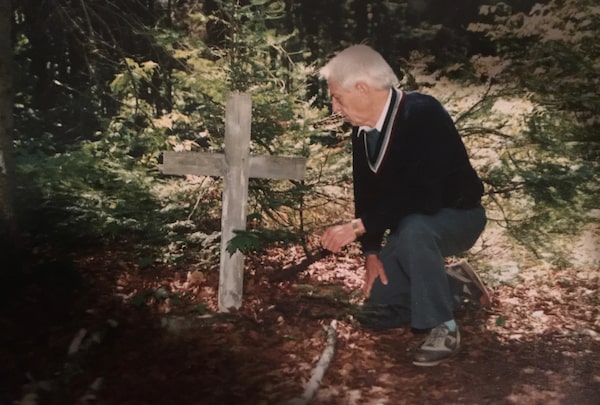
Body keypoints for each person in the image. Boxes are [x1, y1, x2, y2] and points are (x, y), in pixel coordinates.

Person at [319, 44, 491, 367]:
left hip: (459, 217)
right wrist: (371, 251)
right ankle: (455, 283)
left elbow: (425, 197)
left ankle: (444, 328)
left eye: (337, 98)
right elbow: (366, 196)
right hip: (414, 228)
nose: (334, 108)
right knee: (379, 307)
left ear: (362, 88)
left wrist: (357, 227)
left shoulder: (423, 114)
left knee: (414, 229)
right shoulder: (362, 133)